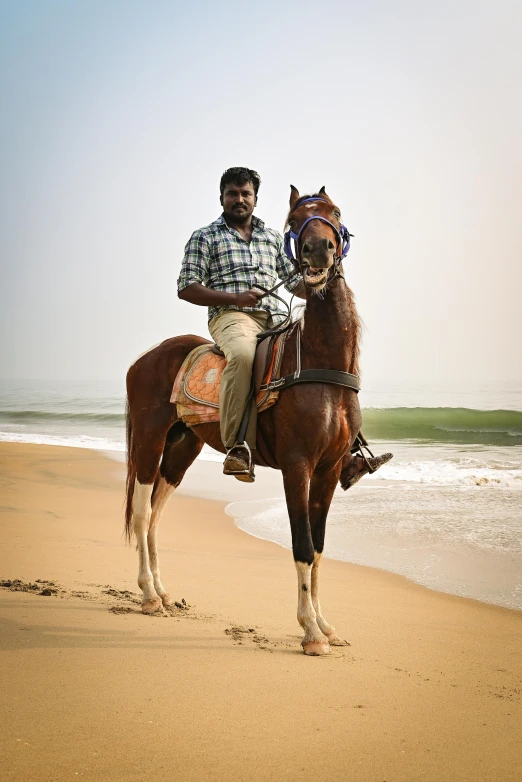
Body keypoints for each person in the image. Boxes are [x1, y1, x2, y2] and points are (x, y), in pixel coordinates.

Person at [178, 166, 391, 483]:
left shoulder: (270, 238)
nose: (239, 199)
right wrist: (235, 299)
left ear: (255, 198)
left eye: (245, 194)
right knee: (243, 357)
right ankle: (238, 446)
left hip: (277, 316)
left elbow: (294, 282)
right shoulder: (205, 237)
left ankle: (348, 452)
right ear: (222, 198)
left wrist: (326, 286)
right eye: (232, 194)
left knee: (322, 356)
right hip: (233, 317)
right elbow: (187, 287)